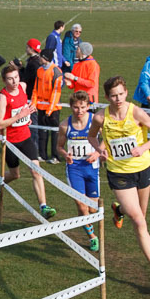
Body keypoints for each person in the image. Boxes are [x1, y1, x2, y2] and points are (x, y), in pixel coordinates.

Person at [86, 75, 150, 289]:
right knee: (138, 221)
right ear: (107, 97)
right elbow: (91, 136)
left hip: (142, 168)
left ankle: (119, 209)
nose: (118, 99)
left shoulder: (136, 112)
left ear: (126, 93)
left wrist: (143, 148)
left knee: (141, 217)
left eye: (121, 94)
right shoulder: (100, 117)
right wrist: (99, 150)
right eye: (114, 95)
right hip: (119, 172)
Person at [0, 63, 57, 219]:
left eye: (16, 77)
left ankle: (44, 207)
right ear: (4, 80)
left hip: (25, 138)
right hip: (10, 142)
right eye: (10, 79)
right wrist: (20, 116)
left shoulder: (23, 87)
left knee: (36, 171)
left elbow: (23, 107)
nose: (14, 82)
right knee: (15, 174)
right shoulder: (3, 97)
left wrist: (27, 117)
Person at [55, 91, 101, 251]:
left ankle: (86, 222)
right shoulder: (65, 125)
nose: (79, 111)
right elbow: (59, 146)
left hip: (92, 168)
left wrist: (97, 153)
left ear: (88, 107)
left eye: (82, 107)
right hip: (74, 168)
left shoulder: (95, 121)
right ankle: (92, 236)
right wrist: (65, 155)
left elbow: (107, 140)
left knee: (93, 208)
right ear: (71, 107)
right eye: (76, 107)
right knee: (81, 205)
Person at [30, 43, 64, 164]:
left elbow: (56, 93)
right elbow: (35, 88)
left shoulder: (56, 71)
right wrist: (33, 104)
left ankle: (55, 156)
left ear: (46, 58)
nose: (39, 58)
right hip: (41, 106)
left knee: (54, 132)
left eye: (41, 56)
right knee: (42, 131)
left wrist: (50, 110)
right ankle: (42, 155)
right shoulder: (39, 70)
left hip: (53, 108)